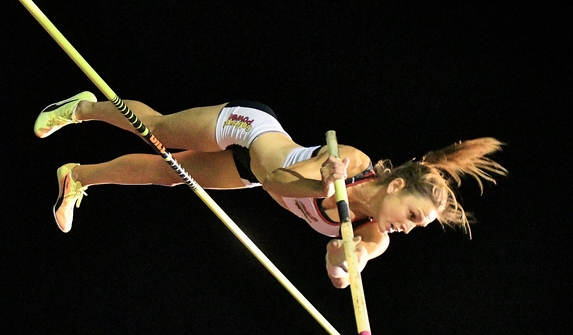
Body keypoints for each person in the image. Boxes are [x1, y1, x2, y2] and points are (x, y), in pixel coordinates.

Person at [34, 92, 507, 288]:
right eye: (412, 215)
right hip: (253, 135)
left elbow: (336, 265)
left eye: (416, 227)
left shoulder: (372, 236)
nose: (406, 229)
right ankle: (82, 109)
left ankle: (77, 177)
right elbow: (278, 178)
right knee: (156, 129)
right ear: (397, 185)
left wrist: (345, 265)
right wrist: (325, 178)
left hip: (254, 174)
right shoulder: (355, 164)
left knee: (168, 174)